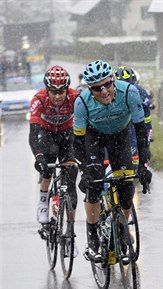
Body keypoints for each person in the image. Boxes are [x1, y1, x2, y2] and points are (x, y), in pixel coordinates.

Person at [73, 60, 152, 263]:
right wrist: (84, 171)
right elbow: (78, 142)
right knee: (95, 181)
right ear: (90, 89)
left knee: (126, 187)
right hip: (94, 138)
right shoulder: (82, 103)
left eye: (107, 84)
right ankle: (92, 238)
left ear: (113, 80)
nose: (104, 91)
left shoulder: (129, 93)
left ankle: (120, 228)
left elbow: (141, 132)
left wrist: (143, 165)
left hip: (120, 136)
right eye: (98, 88)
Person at [29, 65, 80, 256]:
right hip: (46, 133)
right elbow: (33, 133)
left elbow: (85, 127)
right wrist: (38, 156)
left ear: (67, 89)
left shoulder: (75, 98)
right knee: (48, 161)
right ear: (47, 90)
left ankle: (70, 234)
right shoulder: (39, 100)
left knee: (71, 183)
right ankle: (43, 202)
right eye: (53, 91)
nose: (58, 96)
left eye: (61, 91)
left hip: (67, 135)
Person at [114, 65, 154, 166]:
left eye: (130, 85)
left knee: (139, 150)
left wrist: (146, 145)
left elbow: (147, 123)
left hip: (137, 125)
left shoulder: (141, 91)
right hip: (120, 126)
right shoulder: (111, 92)